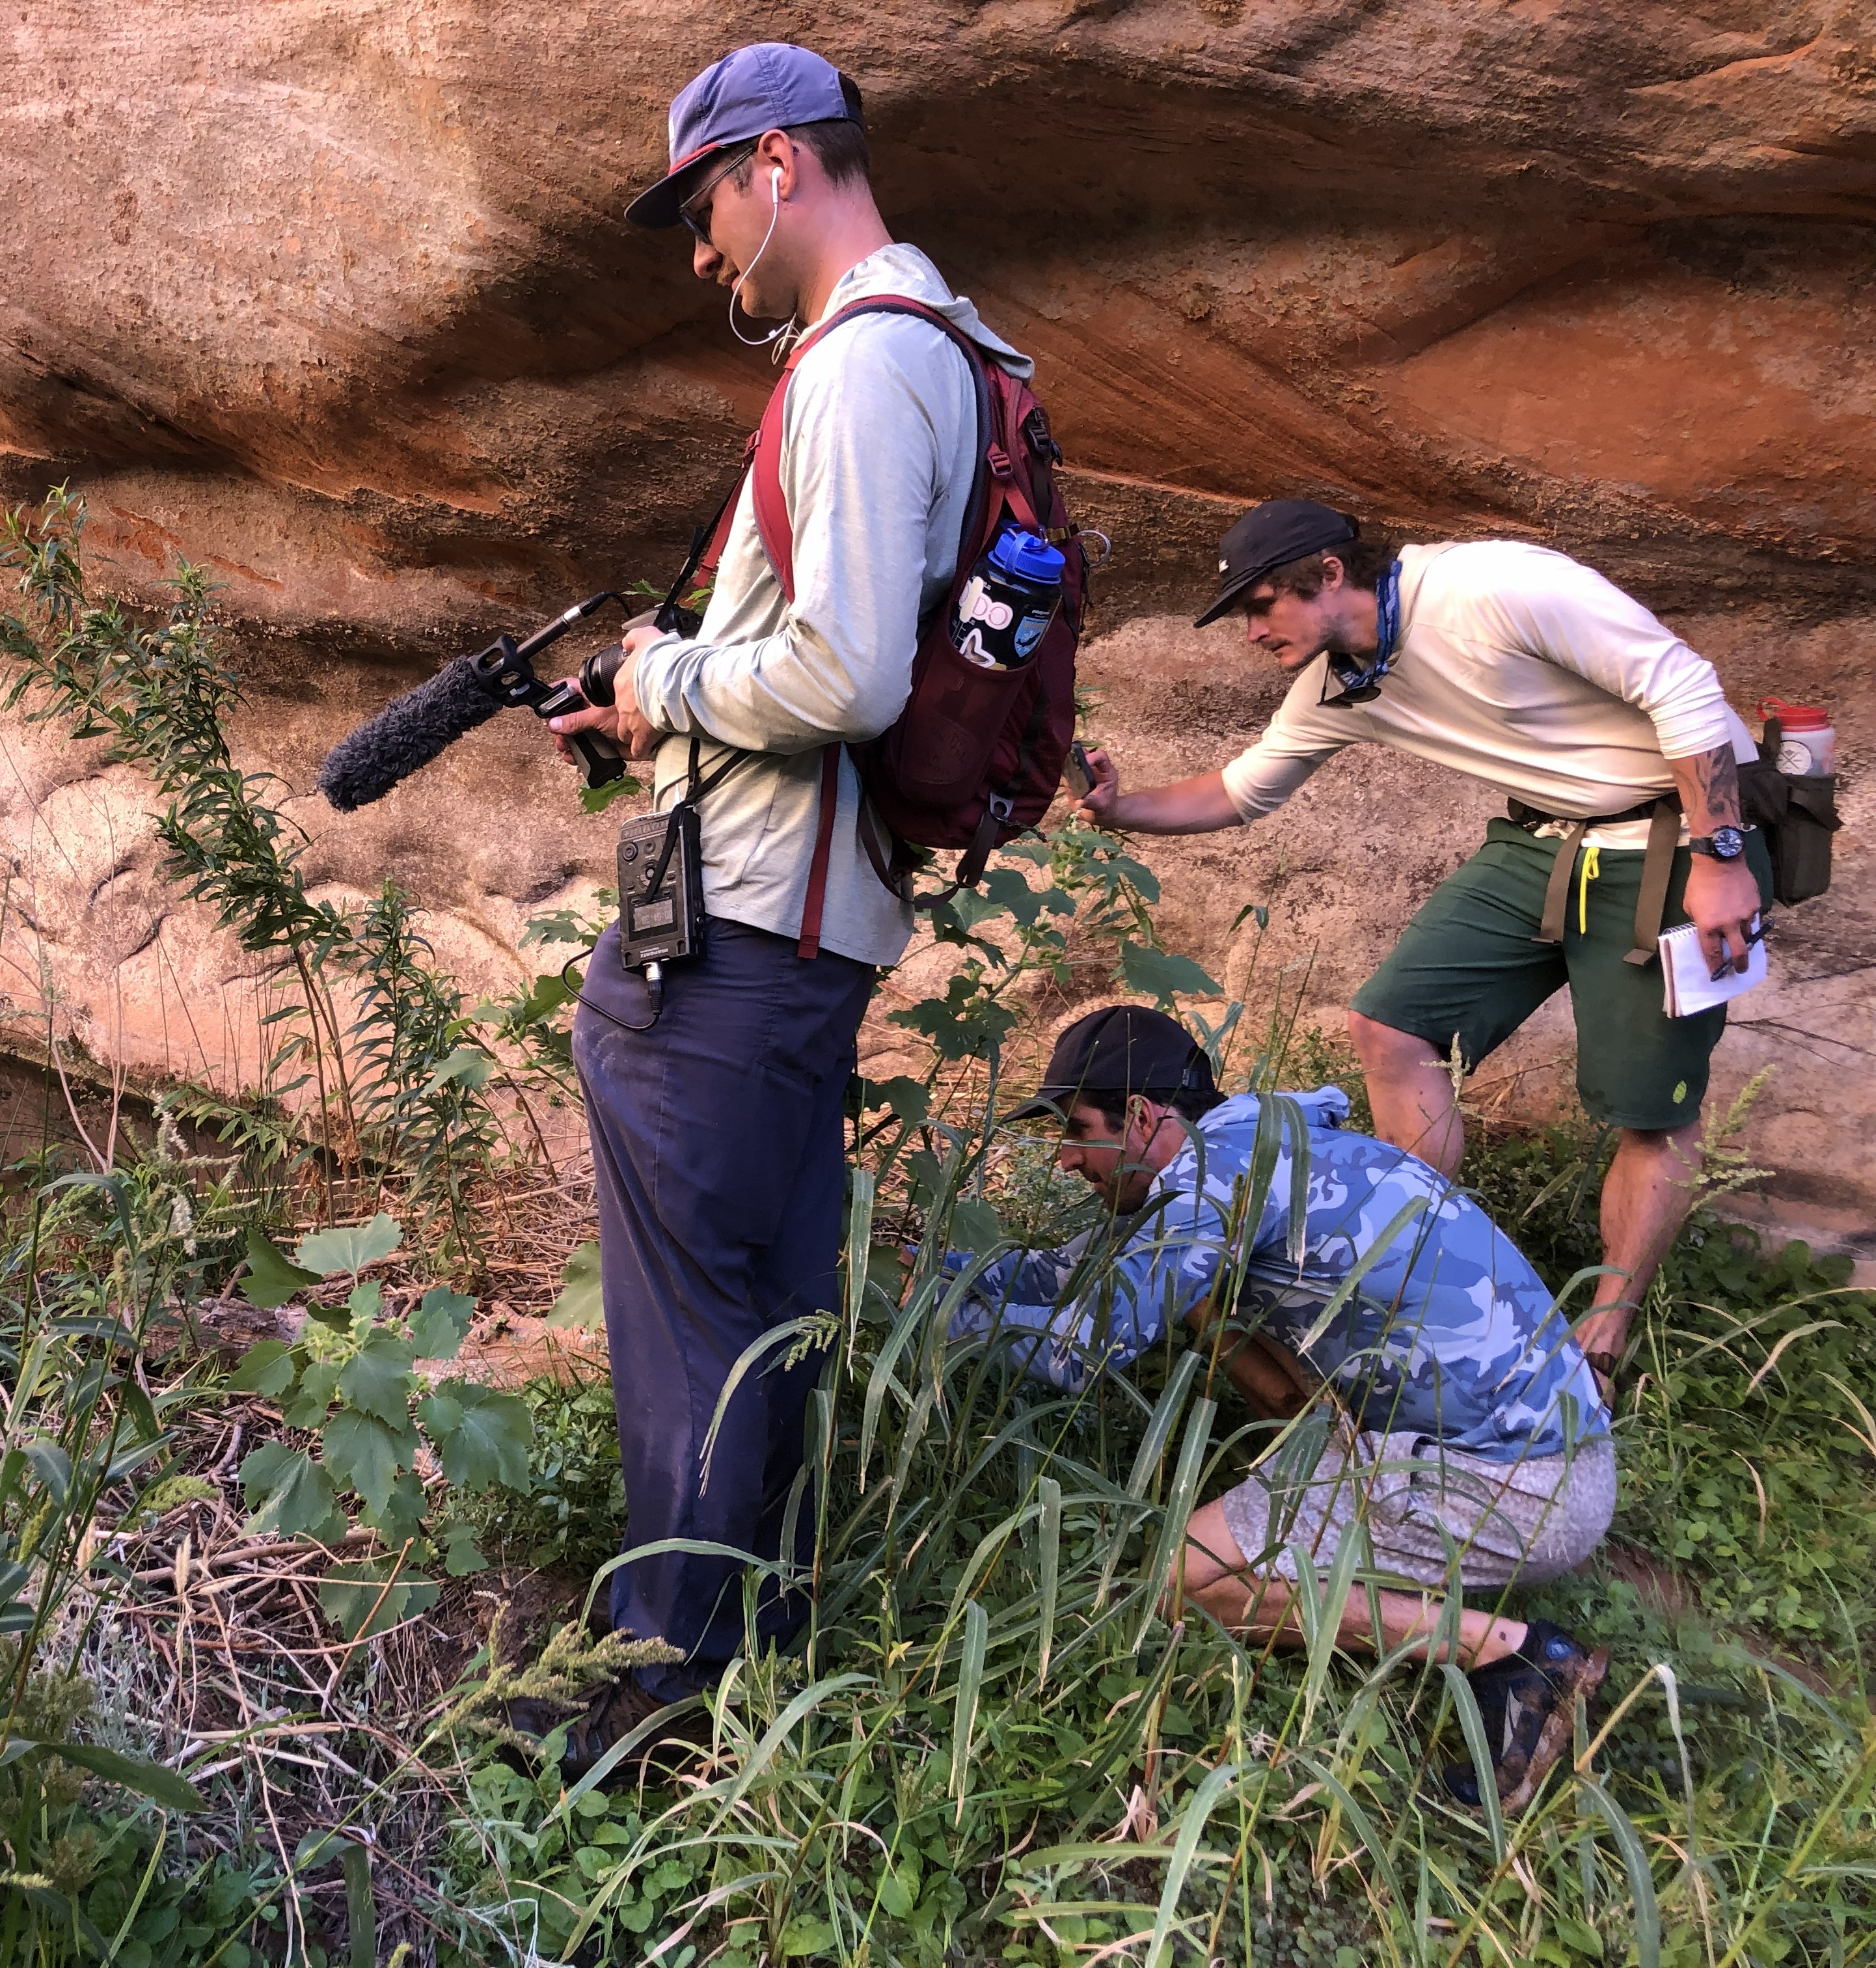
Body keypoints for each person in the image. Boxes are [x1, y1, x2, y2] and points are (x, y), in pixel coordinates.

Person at [530, 42, 1041, 1773]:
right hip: (800, 932)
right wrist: (654, 702)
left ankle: (652, 1704)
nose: (698, 256)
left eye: (698, 209)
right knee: (760, 1310)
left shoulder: (856, 367)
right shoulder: (949, 350)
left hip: (738, 942)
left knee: (693, 1330)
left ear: (771, 166)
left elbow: (836, 670)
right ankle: (757, 1661)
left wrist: (659, 676)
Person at [1078, 502, 1770, 1391]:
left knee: (1653, 1110)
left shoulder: (1492, 587)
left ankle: (1603, 1334)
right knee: (1390, 1027)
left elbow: (1683, 686)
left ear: (1328, 573)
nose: (1251, 632)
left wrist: (1721, 855)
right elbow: (1243, 790)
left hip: (1679, 833)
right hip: (1542, 840)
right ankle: (1415, 1268)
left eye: (1261, 606)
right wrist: (1121, 806)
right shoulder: (1342, 681)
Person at [949, 1005, 1614, 1812]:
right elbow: (1067, 1275)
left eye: (1074, 1128)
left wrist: (941, 1324)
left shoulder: (1216, 1180)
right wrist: (931, 1269)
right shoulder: (1248, 1146)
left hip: (1518, 1485)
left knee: (1187, 1581)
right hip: (1535, 1443)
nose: (1062, 1158)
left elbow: (1084, 1346)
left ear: (1140, 1115)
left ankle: (1511, 1656)